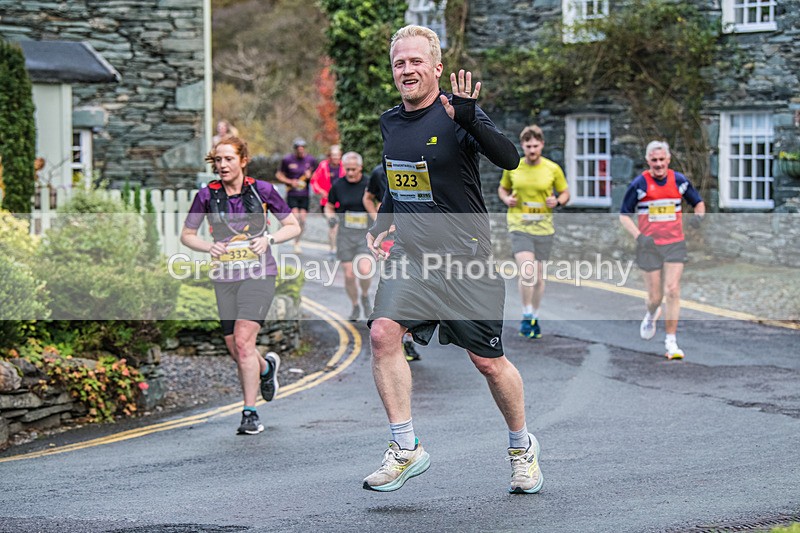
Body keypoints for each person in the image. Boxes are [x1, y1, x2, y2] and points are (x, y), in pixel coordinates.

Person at [363, 25, 543, 494]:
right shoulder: (389, 122)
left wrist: (470, 119)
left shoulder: (457, 114)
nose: (407, 69)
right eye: (400, 62)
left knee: (489, 363)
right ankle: (405, 447)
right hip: (412, 257)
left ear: (437, 68)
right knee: (383, 333)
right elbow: (400, 183)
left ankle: (522, 448)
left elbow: (509, 159)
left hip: (466, 262)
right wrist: (383, 221)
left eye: (416, 61)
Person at [181, 136, 301, 434]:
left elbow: (293, 225)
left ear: (242, 161)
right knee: (235, 348)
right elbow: (187, 234)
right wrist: (208, 247)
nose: (222, 165)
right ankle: (266, 368)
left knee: (245, 342)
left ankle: (249, 413)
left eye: (228, 159)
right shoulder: (206, 195)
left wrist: (268, 239)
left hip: (259, 274)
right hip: (224, 276)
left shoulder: (262, 191)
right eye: (218, 160)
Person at [619, 140, 705, 360]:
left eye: (662, 160)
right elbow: (624, 215)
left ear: (668, 159)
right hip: (649, 246)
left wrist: (699, 217)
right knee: (655, 297)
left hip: (674, 242)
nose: (658, 164)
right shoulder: (639, 184)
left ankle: (671, 342)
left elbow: (698, 202)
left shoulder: (679, 181)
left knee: (673, 290)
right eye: (654, 160)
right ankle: (651, 312)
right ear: (648, 161)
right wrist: (639, 237)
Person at [497, 125, 569, 339]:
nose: (532, 150)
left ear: (542, 145)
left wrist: (557, 201)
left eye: (536, 146)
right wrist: (506, 199)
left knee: (538, 278)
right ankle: (526, 314)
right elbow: (503, 188)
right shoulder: (513, 167)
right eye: (528, 146)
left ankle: (535, 315)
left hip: (544, 227)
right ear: (523, 146)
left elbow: (565, 193)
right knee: (527, 272)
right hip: (520, 226)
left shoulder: (552, 169)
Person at [363, 162, 422, 362]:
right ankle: (404, 341)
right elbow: (368, 198)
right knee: (399, 286)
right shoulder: (378, 173)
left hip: (416, 239)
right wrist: (380, 222)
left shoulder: (422, 169)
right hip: (390, 237)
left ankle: (408, 339)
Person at [324, 151, 374, 321]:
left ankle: (365, 294)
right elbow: (329, 206)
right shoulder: (338, 185)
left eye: (353, 169)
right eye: (347, 169)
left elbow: (380, 203)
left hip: (365, 235)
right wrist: (330, 217)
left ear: (360, 167)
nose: (350, 173)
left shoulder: (369, 183)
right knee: (349, 274)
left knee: (365, 270)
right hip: (345, 235)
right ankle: (354, 305)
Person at [275, 137, 317, 253]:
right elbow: (279, 175)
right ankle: (291, 236)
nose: (301, 150)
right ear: (295, 149)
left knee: (303, 220)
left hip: (304, 194)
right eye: (298, 148)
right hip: (292, 194)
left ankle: (297, 242)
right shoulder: (287, 160)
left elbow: (317, 176)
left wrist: (310, 176)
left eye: (302, 148)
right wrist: (290, 182)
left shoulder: (311, 160)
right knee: (296, 217)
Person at [311, 144, 345, 258]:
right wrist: (320, 191)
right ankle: (333, 250)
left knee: (342, 226)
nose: (336, 157)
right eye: (333, 155)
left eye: (338, 155)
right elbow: (314, 181)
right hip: (327, 202)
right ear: (329, 156)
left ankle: (340, 248)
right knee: (333, 224)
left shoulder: (344, 166)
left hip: (341, 202)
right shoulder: (323, 166)